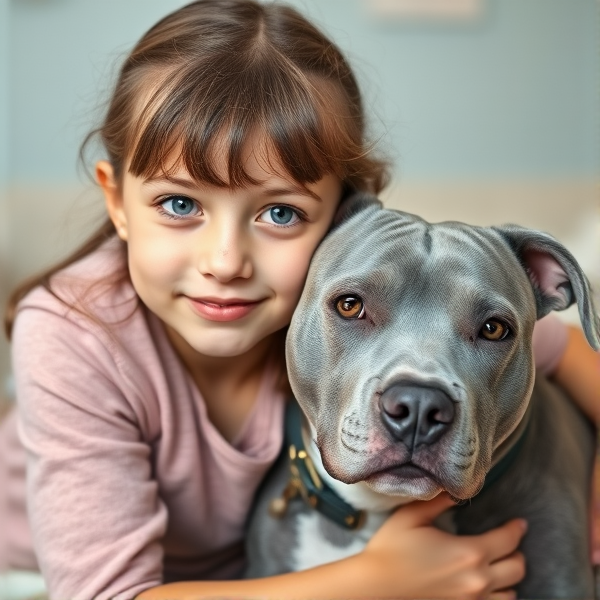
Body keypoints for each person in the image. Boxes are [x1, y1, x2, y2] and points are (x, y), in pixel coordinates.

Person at [0, 1, 598, 599]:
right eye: (180, 204)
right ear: (117, 202)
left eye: (279, 212)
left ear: (337, 220)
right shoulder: (70, 334)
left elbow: (552, 345)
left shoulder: (344, 278)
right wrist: (376, 583)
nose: (225, 262)